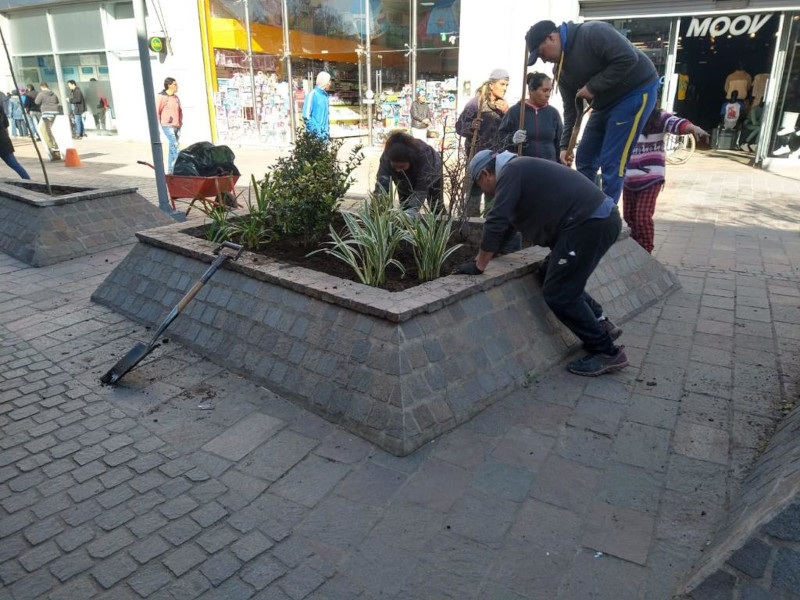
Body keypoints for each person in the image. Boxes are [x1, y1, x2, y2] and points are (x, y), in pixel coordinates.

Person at [454, 149, 626, 377]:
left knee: (560, 294)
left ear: (486, 174)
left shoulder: (511, 172)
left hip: (590, 223)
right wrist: (491, 254)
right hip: (593, 221)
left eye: (480, 186)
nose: (485, 192)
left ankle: (606, 352)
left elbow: (497, 221)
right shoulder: (518, 170)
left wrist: (480, 265)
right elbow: (508, 226)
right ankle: (601, 323)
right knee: (549, 273)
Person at [525, 19, 659, 204]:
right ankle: (585, 207)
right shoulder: (561, 72)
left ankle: (606, 213)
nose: (544, 60)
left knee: (612, 159)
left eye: (541, 53)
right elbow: (571, 110)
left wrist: (592, 87)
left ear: (552, 37)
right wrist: (565, 147)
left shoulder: (593, 32)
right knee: (585, 157)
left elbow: (628, 58)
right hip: (604, 102)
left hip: (635, 91)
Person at [623, 109, 709, 253]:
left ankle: (646, 251)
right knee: (629, 217)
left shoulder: (659, 117)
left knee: (642, 217)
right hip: (628, 179)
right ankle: (636, 250)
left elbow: (676, 123)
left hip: (651, 178)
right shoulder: (625, 116)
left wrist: (693, 128)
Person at [456, 68, 510, 216]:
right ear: (491, 85)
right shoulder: (476, 104)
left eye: (507, 85)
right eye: (502, 84)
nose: (505, 88)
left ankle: (488, 228)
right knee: (472, 201)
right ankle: (470, 228)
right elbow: (459, 126)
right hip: (476, 160)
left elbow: (510, 130)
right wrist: (471, 126)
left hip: (496, 161)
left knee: (492, 204)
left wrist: (507, 113)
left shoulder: (503, 106)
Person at [499, 72, 562, 162]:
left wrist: (562, 162)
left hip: (548, 167)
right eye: (544, 90)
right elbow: (501, 138)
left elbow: (560, 143)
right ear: (532, 90)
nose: (548, 94)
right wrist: (512, 139)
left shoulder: (553, 113)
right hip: (522, 165)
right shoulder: (515, 112)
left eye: (550, 91)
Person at [374, 130, 442, 212]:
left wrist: (411, 211)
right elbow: (381, 186)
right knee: (405, 205)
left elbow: (421, 189)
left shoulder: (425, 155)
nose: (398, 170)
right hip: (405, 177)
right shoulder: (386, 158)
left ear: (410, 160)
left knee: (436, 205)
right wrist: (377, 210)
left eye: (401, 166)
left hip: (432, 172)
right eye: (395, 166)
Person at [156, 77, 182, 174]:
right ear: (169, 85)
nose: (177, 86)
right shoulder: (162, 97)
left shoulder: (175, 97)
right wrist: (157, 128)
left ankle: (171, 170)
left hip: (177, 126)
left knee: (172, 148)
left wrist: (180, 123)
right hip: (167, 125)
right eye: (175, 84)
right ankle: (179, 168)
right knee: (176, 146)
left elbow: (179, 111)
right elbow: (156, 111)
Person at [0, 105, 30, 179]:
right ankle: (28, 180)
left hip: (3, 142)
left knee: (14, 164)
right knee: (15, 164)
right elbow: (6, 124)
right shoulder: (1, 109)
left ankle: (28, 180)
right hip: (4, 141)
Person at [35, 82, 62, 160]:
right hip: (55, 112)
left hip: (46, 112)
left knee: (47, 129)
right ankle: (55, 143)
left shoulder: (41, 94)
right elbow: (57, 101)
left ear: (41, 87)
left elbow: (37, 102)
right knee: (52, 128)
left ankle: (52, 144)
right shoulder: (53, 94)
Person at [302, 71, 331, 139]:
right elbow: (306, 116)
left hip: (325, 136)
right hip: (315, 138)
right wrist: (317, 132)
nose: (330, 83)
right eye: (329, 81)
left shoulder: (325, 96)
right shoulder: (312, 95)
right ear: (325, 82)